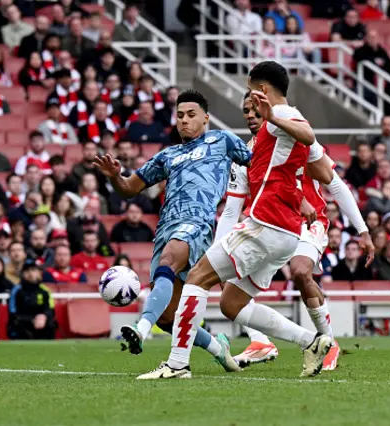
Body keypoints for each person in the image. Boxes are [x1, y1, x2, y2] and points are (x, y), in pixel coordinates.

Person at [131, 62, 337, 380]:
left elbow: (308, 135)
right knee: (231, 303)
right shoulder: (272, 129)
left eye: (251, 90)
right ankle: (310, 341)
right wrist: (298, 195)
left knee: (197, 278)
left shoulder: (282, 115)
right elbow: (314, 169)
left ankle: (177, 364)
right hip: (283, 229)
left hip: (266, 225)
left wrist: (271, 117)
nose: (249, 101)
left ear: (263, 91)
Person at [94, 89, 251, 372]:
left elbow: (258, 165)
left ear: (205, 118)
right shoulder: (168, 155)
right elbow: (131, 188)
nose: (184, 121)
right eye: (179, 116)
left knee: (168, 262)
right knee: (168, 318)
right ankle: (219, 348)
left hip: (198, 222)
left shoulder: (222, 141)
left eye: (191, 115)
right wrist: (116, 176)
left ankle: (141, 328)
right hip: (165, 227)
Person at [225, 91, 374, 371]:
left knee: (301, 271)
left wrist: (362, 230)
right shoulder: (245, 153)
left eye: (257, 110)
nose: (251, 116)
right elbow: (234, 207)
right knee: (228, 278)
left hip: (309, 222)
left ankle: (328, 343)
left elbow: (335, 184)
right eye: (247, 111)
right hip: (269, 224)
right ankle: (261, 342)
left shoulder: (295, 139)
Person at [7, 259, 56, 340]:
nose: (30, 273)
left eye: (33, 270)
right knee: (15, 324)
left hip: (41, 323)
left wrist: (44, 316)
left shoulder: (45, 290)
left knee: (51, 323)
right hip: (24, 323)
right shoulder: (16, 290)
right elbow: (13, 313)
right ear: (22, 274)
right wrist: (32, 320)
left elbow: (51, 309)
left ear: (38, 272)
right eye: (27, 271)